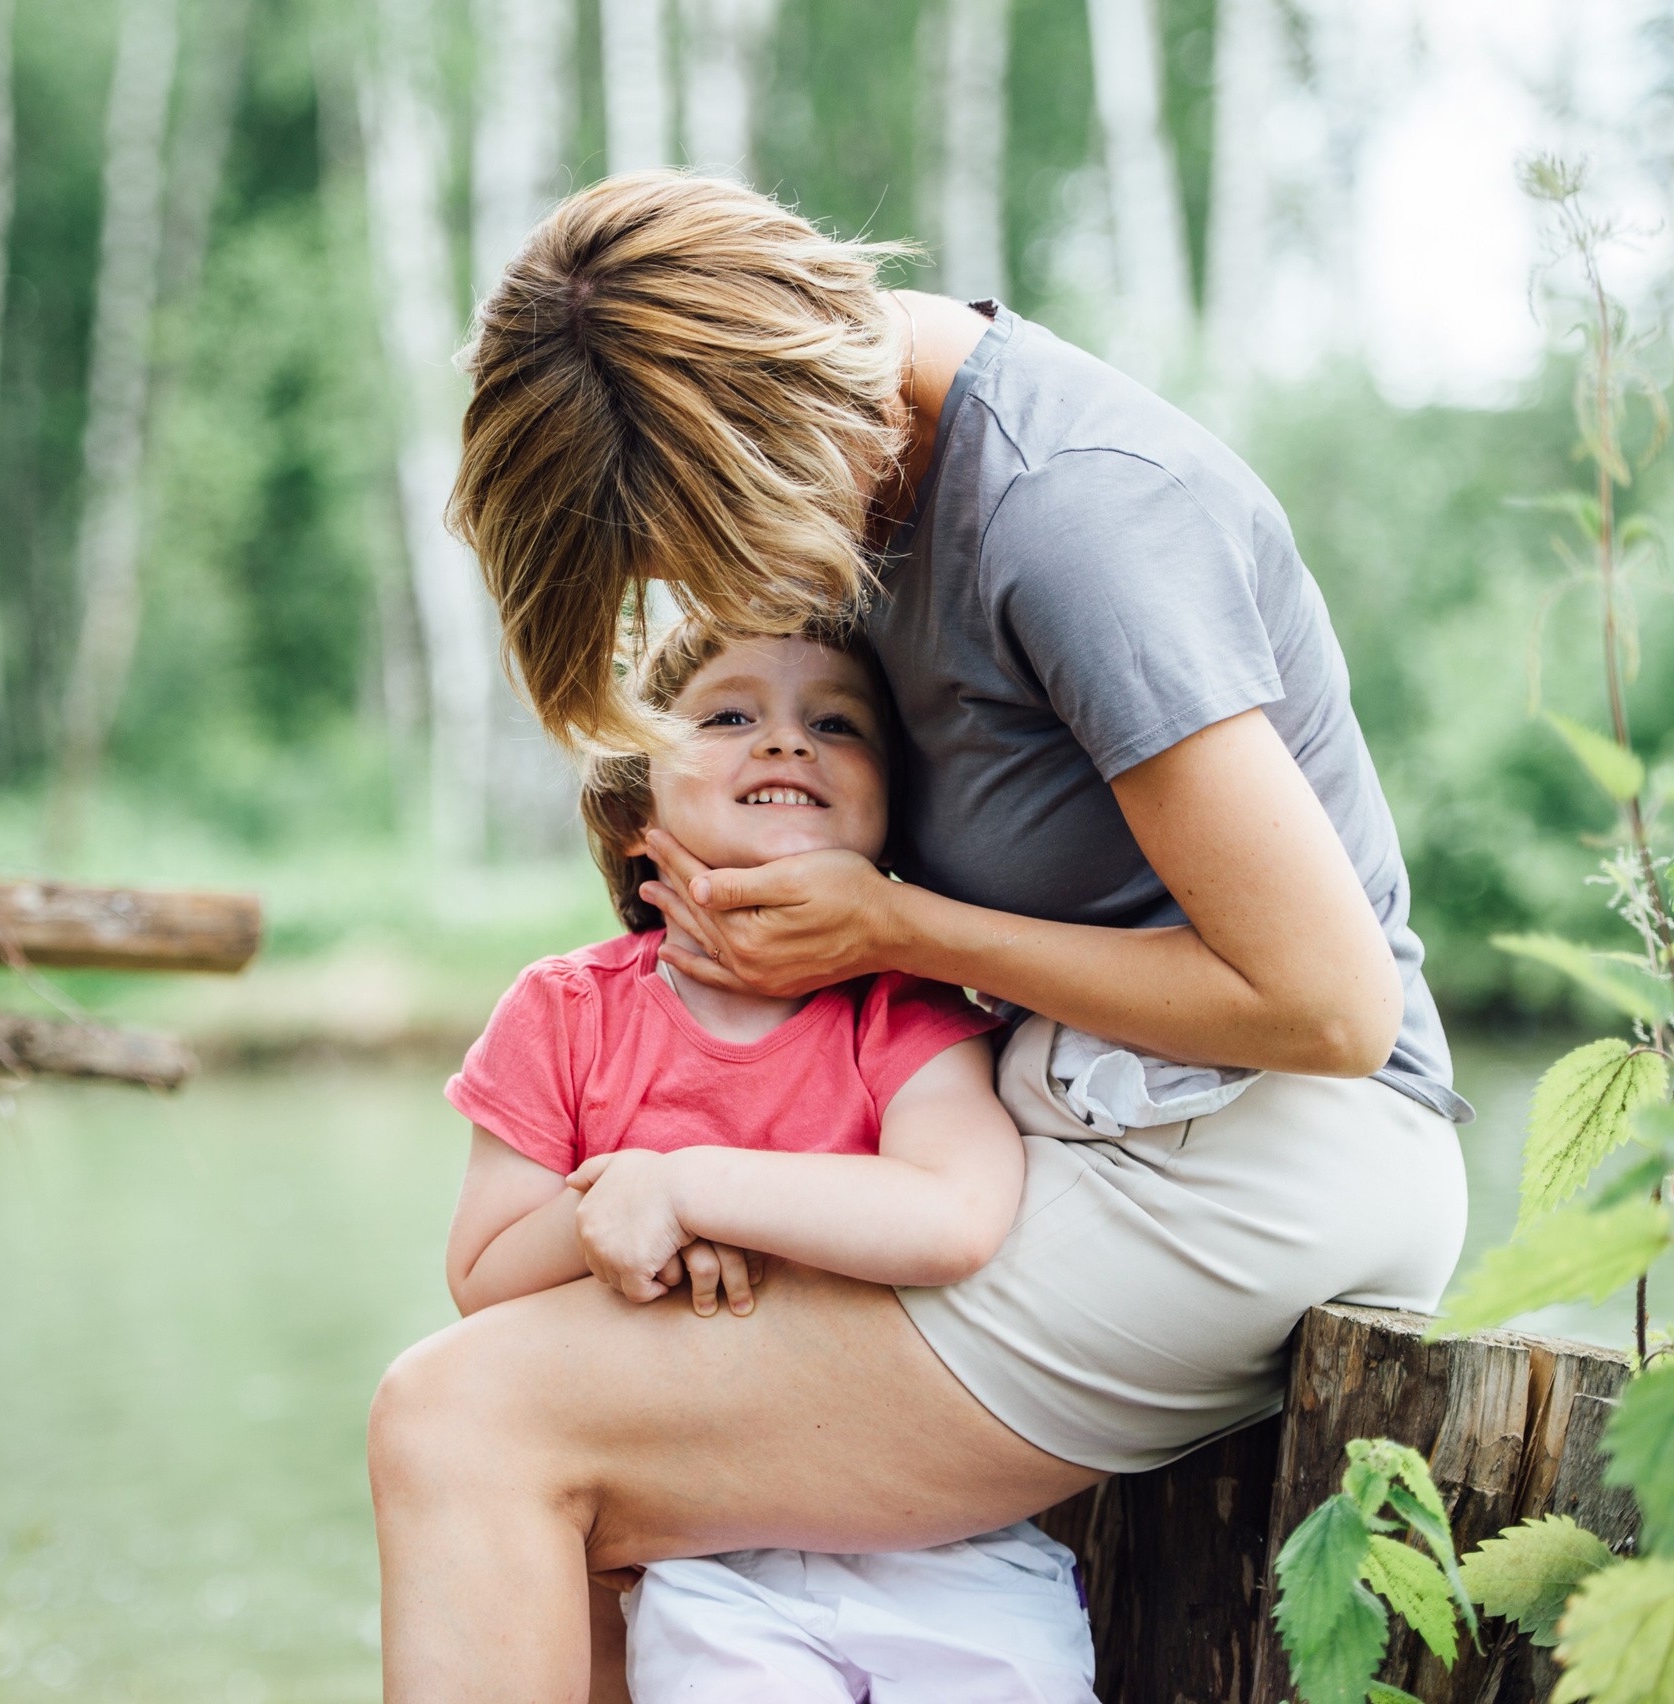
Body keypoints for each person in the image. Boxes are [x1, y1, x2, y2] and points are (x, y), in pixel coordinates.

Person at [368, 169, 1470, 1701]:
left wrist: (889, 926)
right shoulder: (885, 466)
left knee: (467, 1424)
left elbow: (1330, 1007)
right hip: (1091, 1121)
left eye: (693, 544)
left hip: (1256, 1155)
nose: (710, 588)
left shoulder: (1073, 515)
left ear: (764, 430)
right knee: (574, 1495)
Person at [442, 613, 1099, 1703]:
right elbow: (483, 1280)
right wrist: (632, 1208)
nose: (788, 743)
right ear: (631, 809)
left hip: (942, 1539)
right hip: (703, 1551)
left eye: (836, 722)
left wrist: (692, 1188)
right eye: (730, 714)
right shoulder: (563, 1011)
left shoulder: (904, 1008)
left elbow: (952, 1218)